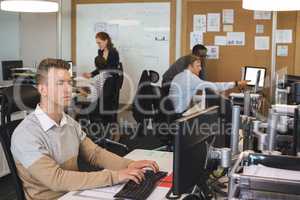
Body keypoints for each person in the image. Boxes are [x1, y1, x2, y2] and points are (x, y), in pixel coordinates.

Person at [11, 58, 159, 200]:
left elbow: (95, 154)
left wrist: (128, 164)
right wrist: (115, 176)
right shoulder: (26, 134)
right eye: (60, 83)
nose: (68, 89)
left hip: (75, 193)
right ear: (43, 89)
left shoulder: (68, 122)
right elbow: (56, 179)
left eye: (69, 82)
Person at [169, 55, 248, 113]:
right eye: (198, 66)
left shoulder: (179, 75)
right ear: (190, 66)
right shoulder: (190, 78)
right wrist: (236, 83)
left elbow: (186, 95)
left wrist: (202, 98)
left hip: (174, 111)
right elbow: (214, 86)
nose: (200, 69)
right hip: (179, 114)